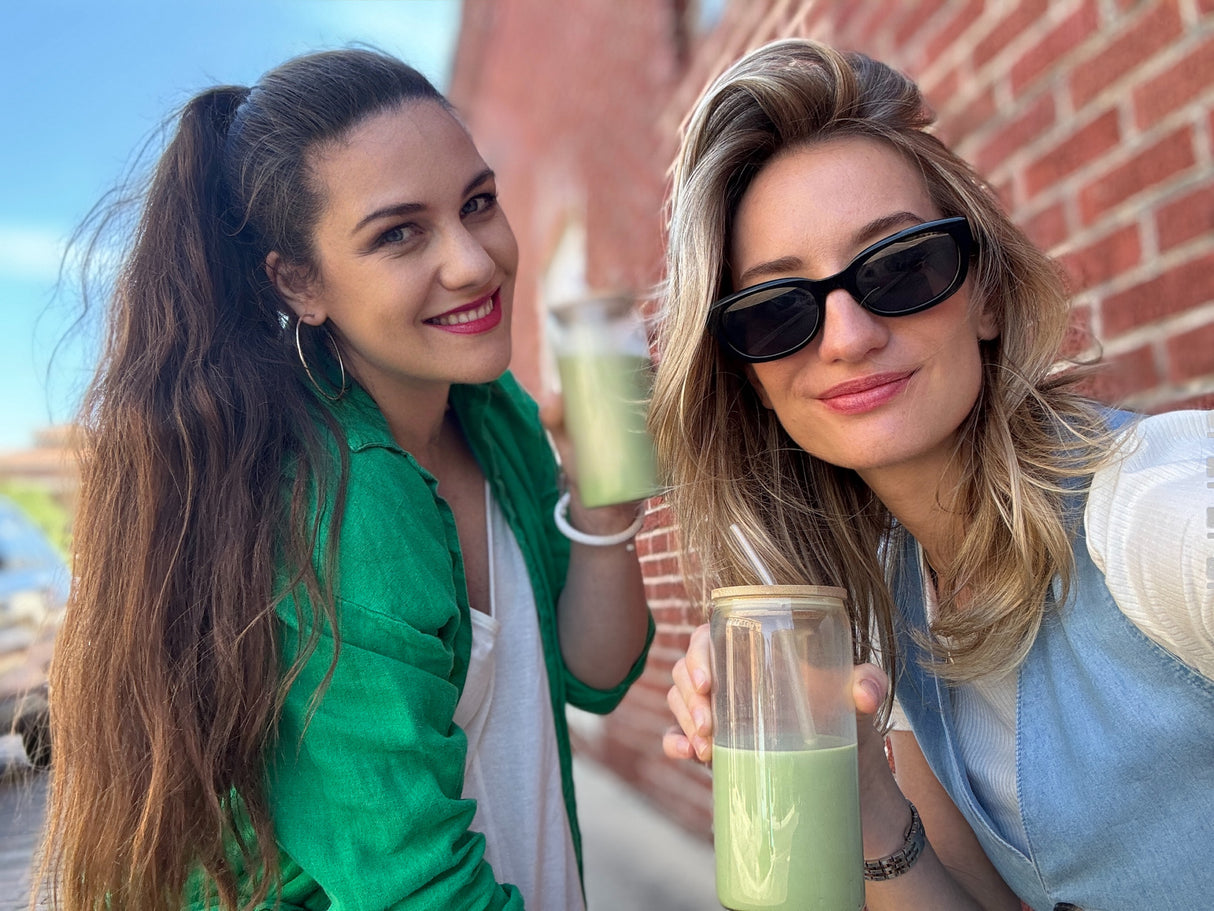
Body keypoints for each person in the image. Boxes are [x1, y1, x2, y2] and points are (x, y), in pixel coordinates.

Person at [40, 48, 653, 911]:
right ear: (300, 282)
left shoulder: (492, 409)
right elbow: (417, 894)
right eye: (400, 232)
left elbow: (594, 672)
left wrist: (603, 505)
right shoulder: (338, 501)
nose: (475, 262)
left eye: (479, 203)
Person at [654, 38, 1212, 911]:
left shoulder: (1152, 508)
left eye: (900, 266)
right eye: (775, 313)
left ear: (985, 292)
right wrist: (862, 787)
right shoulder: (893, 597)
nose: (845, 337)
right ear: (751, 382)